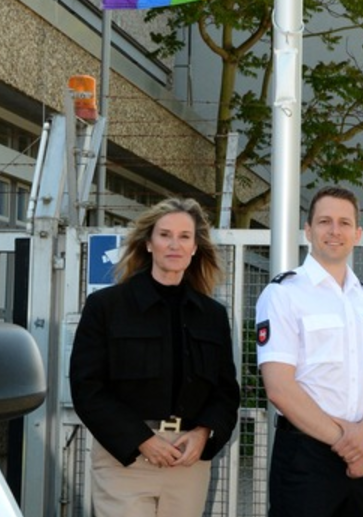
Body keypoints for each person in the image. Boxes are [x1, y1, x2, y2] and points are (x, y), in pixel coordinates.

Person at [69, 197, 241, 517]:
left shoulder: (213, 316)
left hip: (187, 462)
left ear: (194, 247)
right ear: (149, 243)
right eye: (165, 235)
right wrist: (142, 440)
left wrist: (203, 434)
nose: (174, 244)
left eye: (184, 237)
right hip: (126, 460)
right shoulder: (106, 307)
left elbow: (225, 393)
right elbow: (87, 388)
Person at [255, 185, 363, 517]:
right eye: (324, 221)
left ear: (357, 233)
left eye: (345, 223)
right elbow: (280, 388)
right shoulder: (283, 294)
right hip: (305, 456)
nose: (335, 231)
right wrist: (350, 447)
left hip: (360, 448)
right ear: (308, 230)